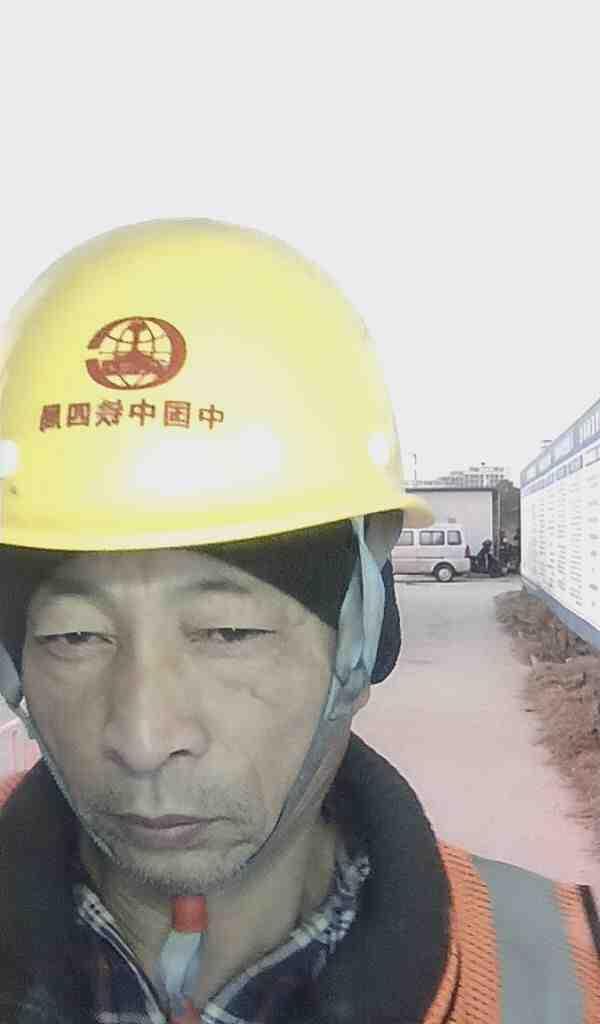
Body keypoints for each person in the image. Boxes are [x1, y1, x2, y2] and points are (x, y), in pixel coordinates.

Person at [0, 221, 598, 1023]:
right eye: (75, 637)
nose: (143, 738)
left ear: (363, 633)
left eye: (228, 633)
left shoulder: (560, 982)